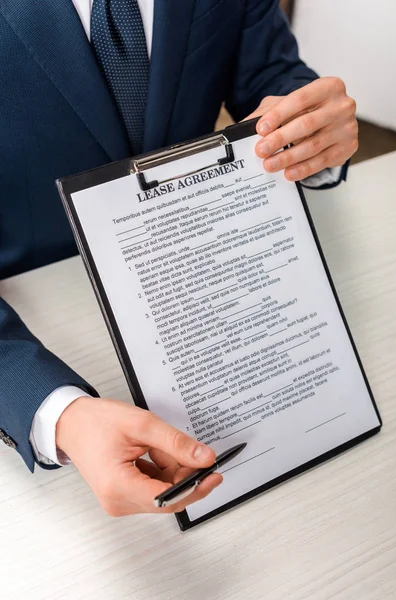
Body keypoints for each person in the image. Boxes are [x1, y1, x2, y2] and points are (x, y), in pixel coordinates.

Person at [0, 0, 358, 517]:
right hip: (50, 326)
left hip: (226, 309)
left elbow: (272, 78)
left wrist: (314, 135)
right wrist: (56, 412)